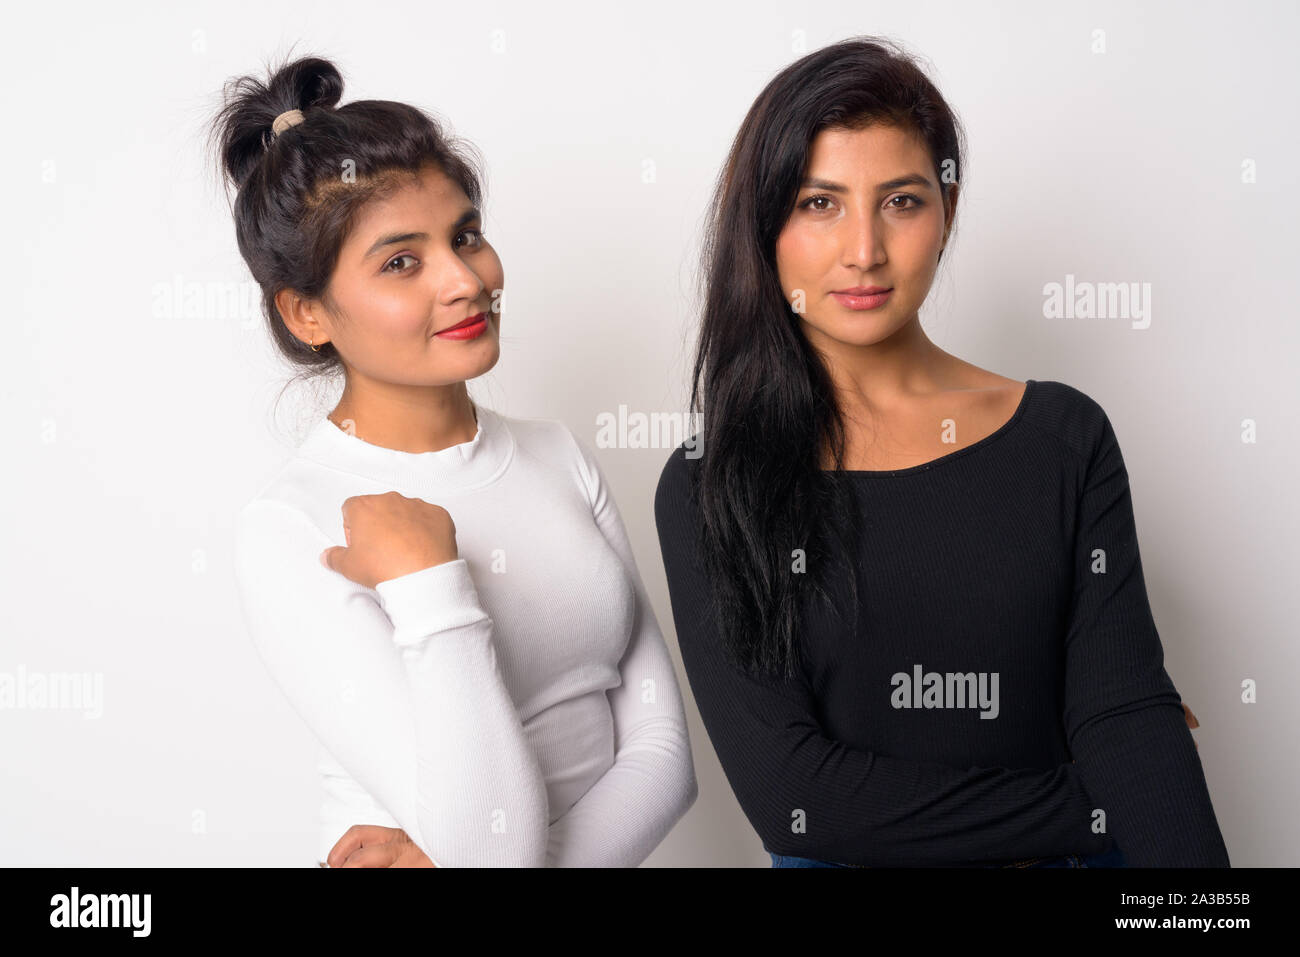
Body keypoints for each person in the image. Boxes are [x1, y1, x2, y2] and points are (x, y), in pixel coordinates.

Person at [653, 36, 1229, 868]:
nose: (863, 249)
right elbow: (797, 796)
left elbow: (1124, 711)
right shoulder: (714, 481)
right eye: (820, 203)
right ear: (766, 222)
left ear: (947, 213)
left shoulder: (1064, 438)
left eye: (901, 201)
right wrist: (1102, 797)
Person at [212, 51, 697, 867]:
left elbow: (666, 762)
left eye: (465, 236)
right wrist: (430, 584)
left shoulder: (557, 454)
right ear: (306, 312)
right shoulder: (292, 526)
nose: (465, 279)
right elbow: (491, 848)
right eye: (402, 261)